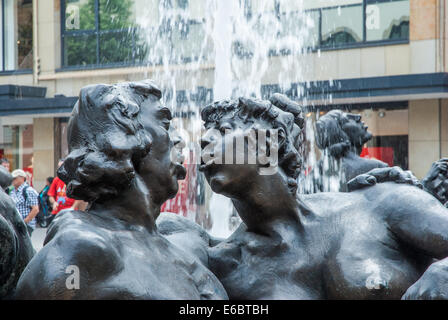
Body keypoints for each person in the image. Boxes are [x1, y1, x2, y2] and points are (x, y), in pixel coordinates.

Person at [166, 95, 448, 300]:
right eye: (205, 136)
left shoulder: (380, 202)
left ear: (267, 145)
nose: (204, 142)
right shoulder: (225, 265)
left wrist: (442, 273)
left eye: (223, 131)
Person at [14, 80, 227, 300]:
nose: (178, 139)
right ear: (123, 139)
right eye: (164, 124)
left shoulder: (174, 237)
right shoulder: (80, 251)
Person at [9, 169, 39, 236]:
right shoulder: (12, 191)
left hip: (26, 225)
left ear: (22, 178)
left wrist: (24, 222)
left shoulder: (29, 190)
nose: (13, 180)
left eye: (15, 178)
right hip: (14, 225)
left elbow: (35, 209)